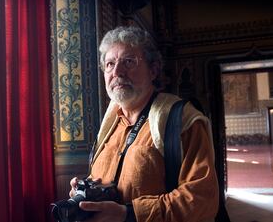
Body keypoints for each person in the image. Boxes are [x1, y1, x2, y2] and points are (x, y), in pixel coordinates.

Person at [68, 26, 219, 222]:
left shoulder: (181, 120)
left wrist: (128, 215)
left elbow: (201, 200)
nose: (117, 72)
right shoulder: (109, 125)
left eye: (128, 62)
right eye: (109, 64)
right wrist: (87, 189)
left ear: (153, 70)